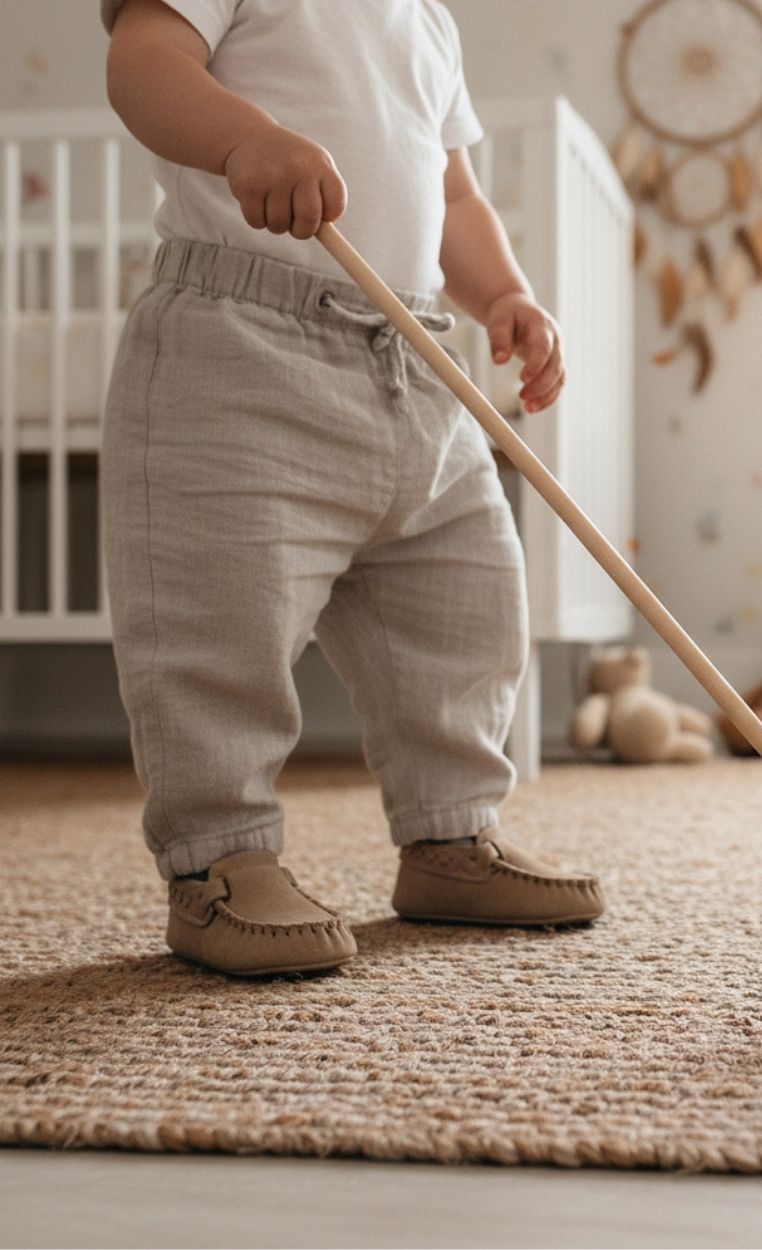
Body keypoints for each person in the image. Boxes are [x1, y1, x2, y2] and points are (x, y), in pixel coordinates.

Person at [100, 0, 604, 977]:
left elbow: (453, 196)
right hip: (243, 345)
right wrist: (248, 136)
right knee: (221, 619)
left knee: (467, 600)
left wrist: (502, 291)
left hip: (413, 357)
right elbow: (142, 61)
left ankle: (451, 831)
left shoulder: (426, 22)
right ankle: (218, 854)